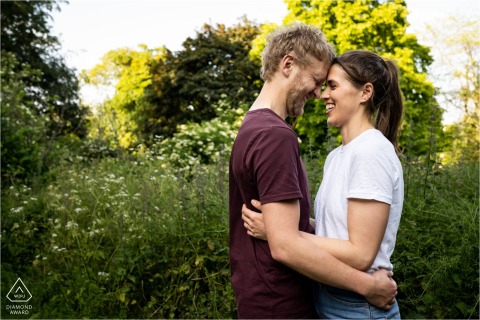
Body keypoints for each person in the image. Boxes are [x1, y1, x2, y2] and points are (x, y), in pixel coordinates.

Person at [229, 21, 397, 319]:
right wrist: (368, 286)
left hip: (325, 301)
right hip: (280, 300)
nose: (319, 94)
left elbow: (343, 243)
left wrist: (281, 231)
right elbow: (285, 245)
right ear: (288, 64)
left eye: (330, 85)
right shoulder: (275, 135)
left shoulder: (255, 128)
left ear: (365, 93)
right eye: (319, 81)